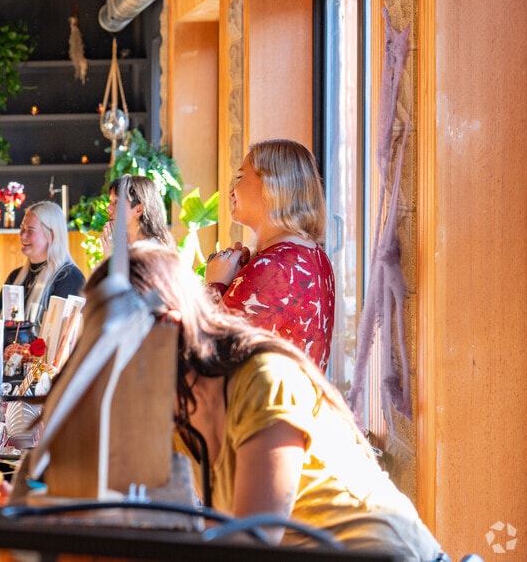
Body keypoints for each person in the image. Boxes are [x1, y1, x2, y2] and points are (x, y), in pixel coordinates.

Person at [85, 244, 443, 560]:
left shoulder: (265, 378)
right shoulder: (180, 408)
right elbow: (218, 529)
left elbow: (252, 543)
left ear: (168, 325)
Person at [204, 139, 335, 371]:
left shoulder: (273, 266)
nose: (231, 191)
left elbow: (210, 356)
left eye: (241, 176)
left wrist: (215, 284)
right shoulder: (315, 255)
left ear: (272, 184)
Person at [1, 200, 85, 324]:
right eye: (22, 228)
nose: (23, 235)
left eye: (30, 230)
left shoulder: (70, 278)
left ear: (51, 234)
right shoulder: (16, 277)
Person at [101, 175, 176, 253]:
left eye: (117, 203)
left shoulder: (155, 250)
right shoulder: (119, 243)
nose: (108, 209)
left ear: (139, 210)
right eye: (110, 202)